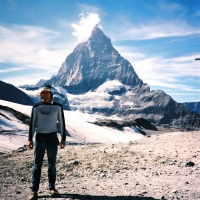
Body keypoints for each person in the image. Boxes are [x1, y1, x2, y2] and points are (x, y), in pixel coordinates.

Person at [28, 85, 66, 200]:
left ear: (51, 95)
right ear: (41, 95)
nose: (45, 95)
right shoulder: (36, 107)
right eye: (43, 93)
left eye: (47, 93)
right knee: (37, 165)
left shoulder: (58, 107)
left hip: (52, 137)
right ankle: (34, 191)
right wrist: (30, 139)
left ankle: (52, 188)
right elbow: (32, 124)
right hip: (39, 137)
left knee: (52, 165)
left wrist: (63, 138)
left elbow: (62, 123)